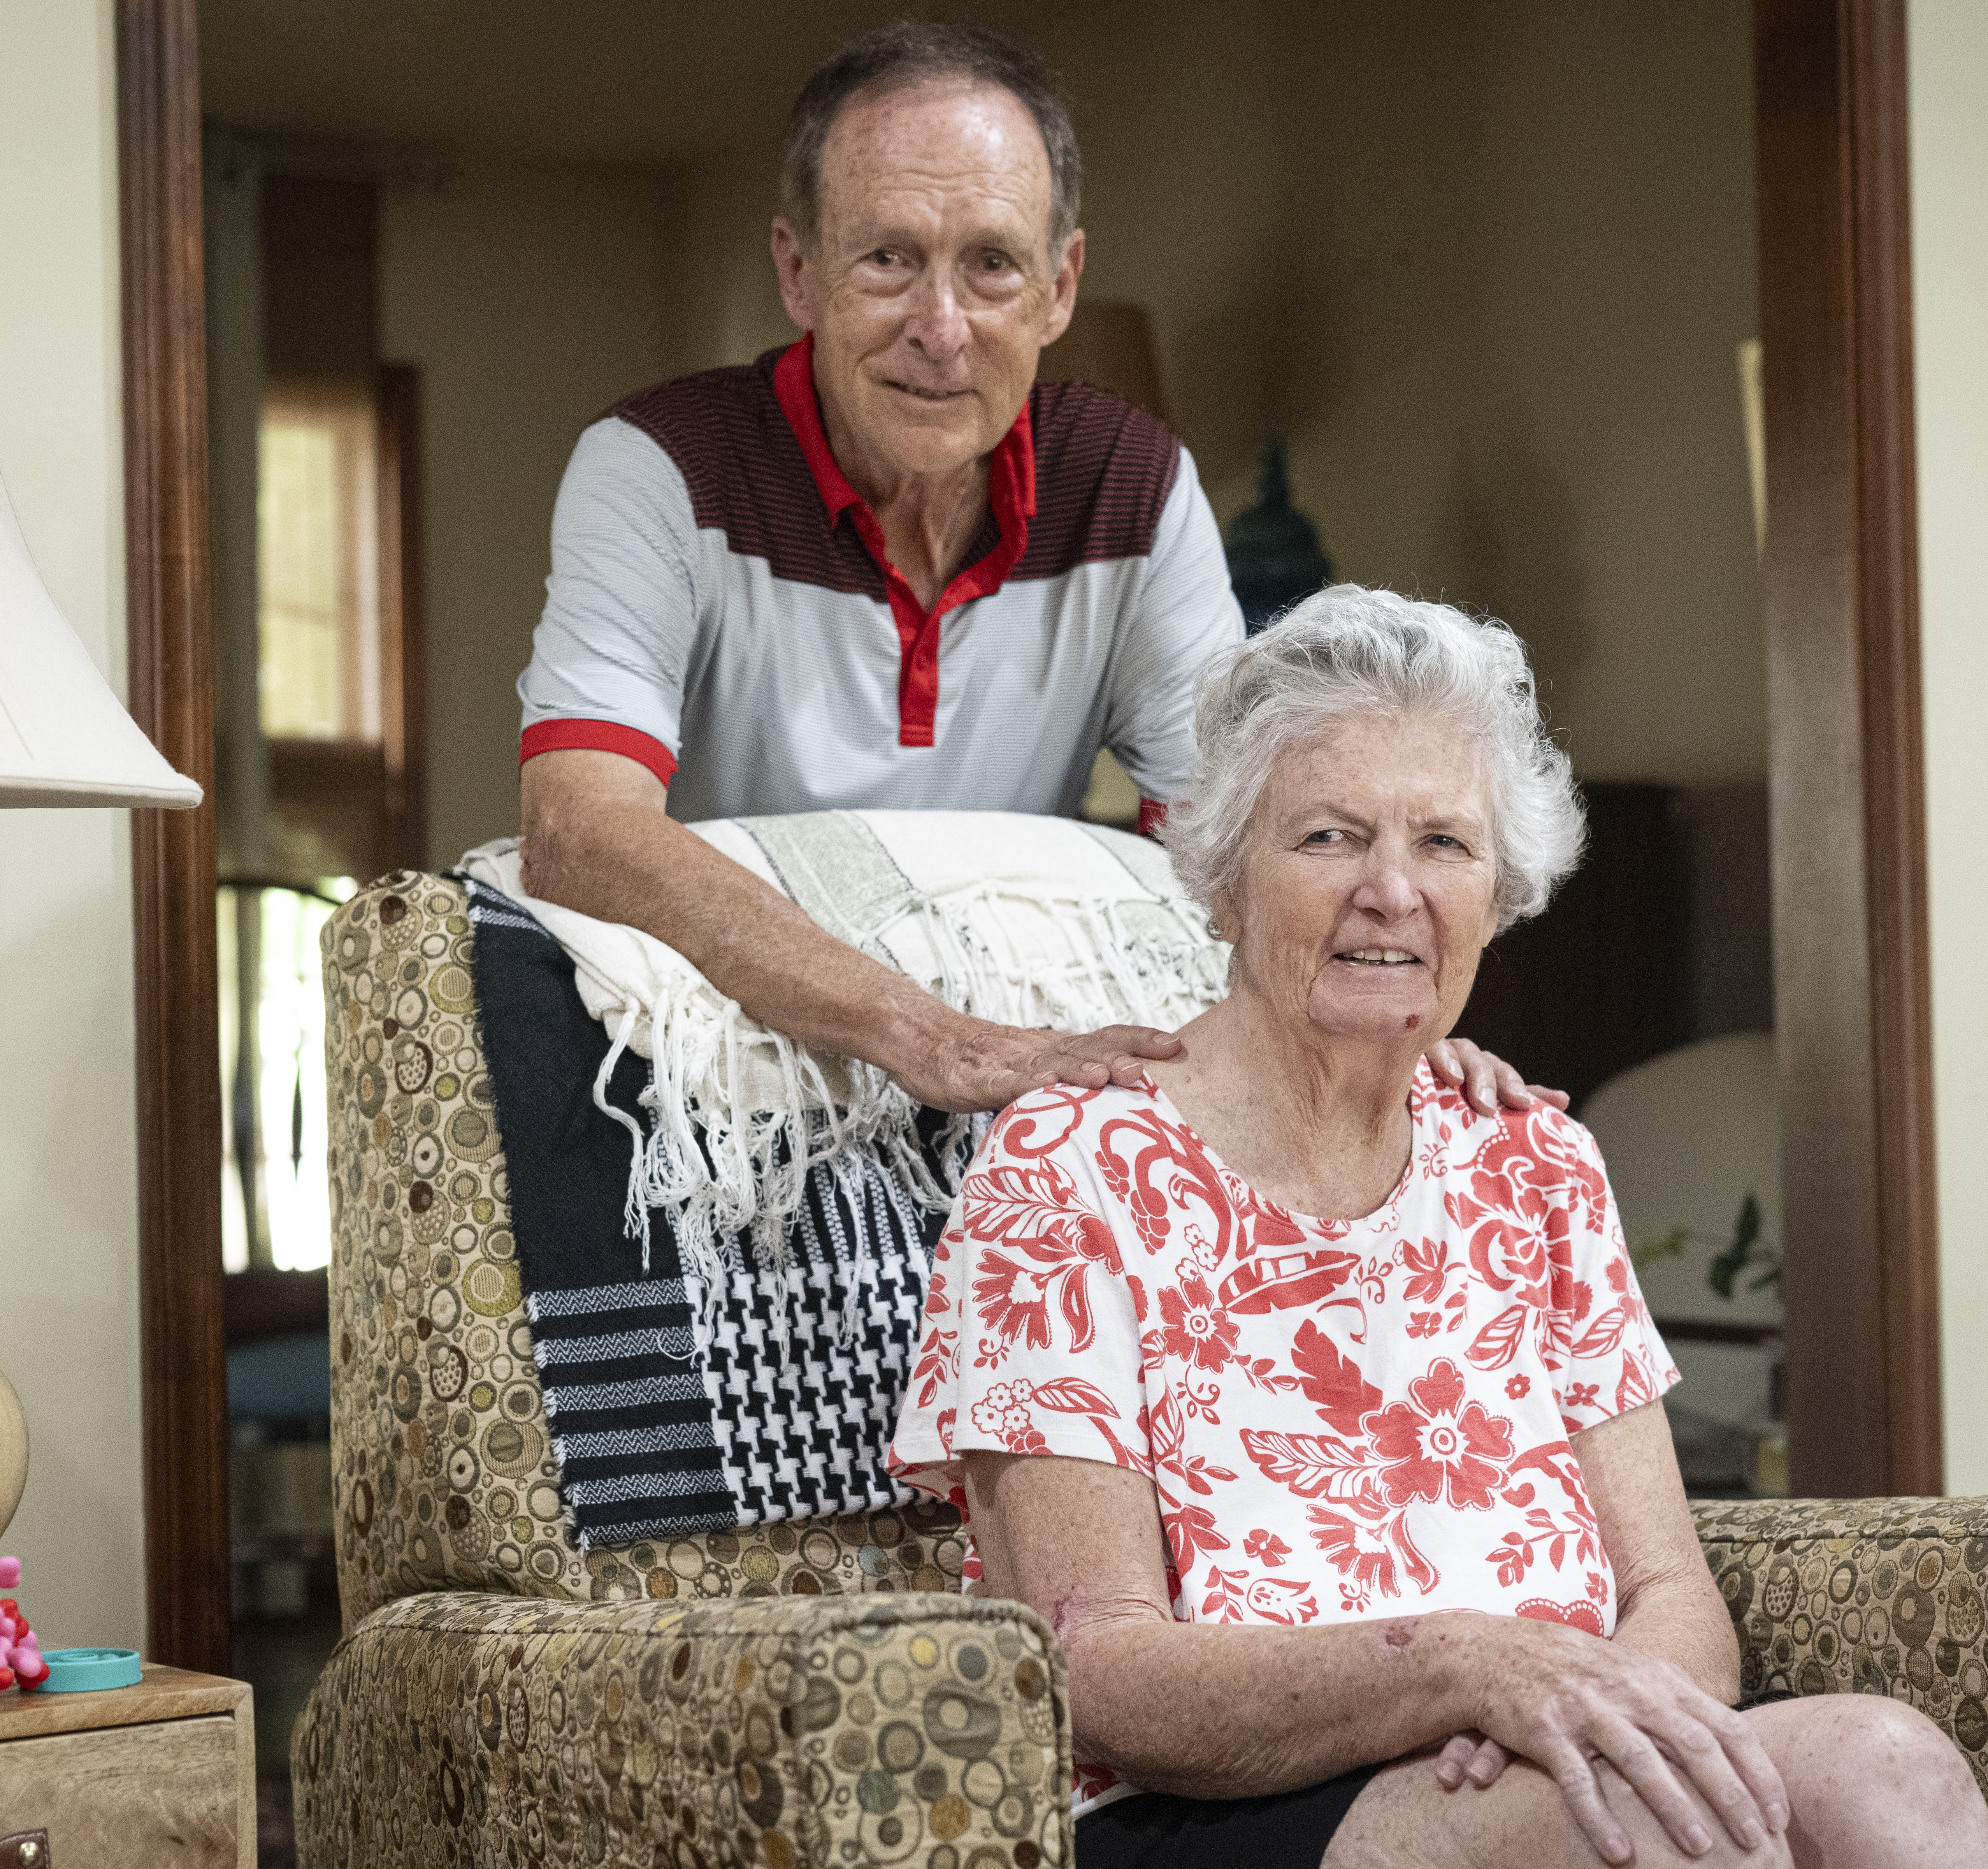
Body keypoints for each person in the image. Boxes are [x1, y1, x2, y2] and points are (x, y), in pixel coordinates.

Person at [890, 587, 1988, 1869]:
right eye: (1328, 836)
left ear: (1498, 894)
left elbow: (1669, 1590)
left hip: (1515, 1767)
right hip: (1202, 1804)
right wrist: (1463, 1671)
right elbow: (1096, 1668)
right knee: (1678, 1860)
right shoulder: (1068, 1168)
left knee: (1894, 1776)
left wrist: (1594, 1725)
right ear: (1225, 880)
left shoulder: (1534, 1160)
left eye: (1443, 843)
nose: (1393, 889)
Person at [513, 23, 1535, 1120]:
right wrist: (933, 1040)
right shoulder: (659, 467)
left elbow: (1240, 830)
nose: (941, 330)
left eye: (991, 266)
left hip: (1010, 1046)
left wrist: (1398, 1029)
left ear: (1060, 286)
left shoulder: (1131, 482)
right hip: (718, 1067)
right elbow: (578, 829)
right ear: (798, 272)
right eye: (887, 259)